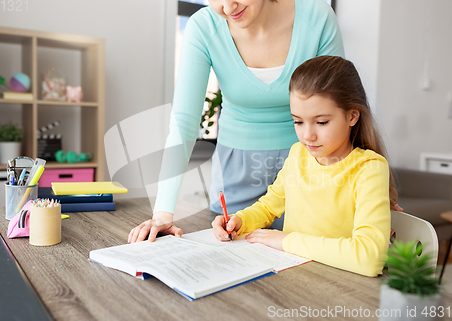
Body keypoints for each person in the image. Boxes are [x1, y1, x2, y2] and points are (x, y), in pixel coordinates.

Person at [128, 0, 345, 243]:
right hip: (237, 169)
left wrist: (369, 180)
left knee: (308, 259)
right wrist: (162, 214)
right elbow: (184, 122)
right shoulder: (204, 27)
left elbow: (340, 107)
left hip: (310, 163)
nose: (228, 7)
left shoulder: (316, 18)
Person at [212, 55, 398, 277]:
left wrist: (286, 240)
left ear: (352, 116)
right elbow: (268, 207)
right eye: (298, 121)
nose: (307, 135)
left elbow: (369, 258)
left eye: (321, 122)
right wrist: (239, 220)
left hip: (343, 287)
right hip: (295, 276)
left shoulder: (369, 168)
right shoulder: (298, 154)